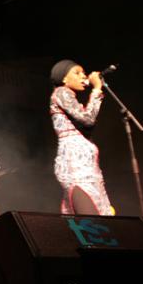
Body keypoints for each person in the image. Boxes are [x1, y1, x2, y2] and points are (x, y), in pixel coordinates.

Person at [49, 59, 113, 216]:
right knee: (91, 221)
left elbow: (86, 124)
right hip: (75, 164)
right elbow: (88, 119)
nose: (82, 76)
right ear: (64, 79)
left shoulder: (70, 98)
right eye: (76, 73)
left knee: (99, 217)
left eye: (83, 73)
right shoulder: (61, 92)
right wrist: (97, 89)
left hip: (86, 166)